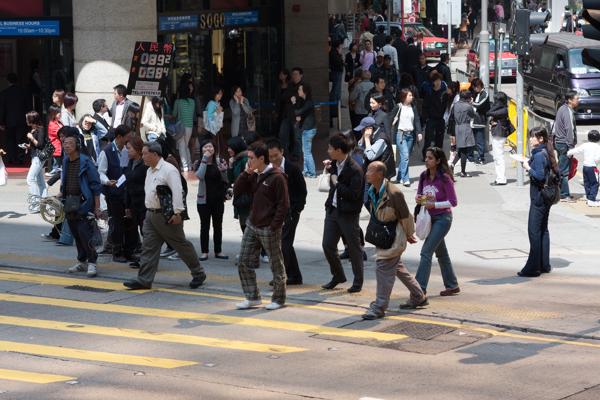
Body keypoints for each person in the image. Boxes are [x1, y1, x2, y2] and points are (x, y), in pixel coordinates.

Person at [123, 141, 207, 290]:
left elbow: (178, 192)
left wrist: (178, 213)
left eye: (145, 154)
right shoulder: (149, 170)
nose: (142, 157)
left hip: (166, 216)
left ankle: (198, 273)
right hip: (150, 215)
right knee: (148, 248)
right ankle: (144, 279)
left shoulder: (169, 170)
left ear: (155, 154)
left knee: (181, 245)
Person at [361, 161, 428, 320]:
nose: (367, 173)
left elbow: (405, 215)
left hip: (394, 237)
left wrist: (409, 233)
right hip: (383, 236)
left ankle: (379, 307)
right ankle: (419, 296)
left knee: (383, 268)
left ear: (379, 174)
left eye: (370, 170)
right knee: (397, 267)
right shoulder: (372, 190)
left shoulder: (394, 193)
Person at [233, 142, 289, 310]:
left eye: (251, 158)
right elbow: (237, 190)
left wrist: (274, 226)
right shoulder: (254, 174)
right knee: (243, 261)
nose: (248, 161)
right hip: (252, 224)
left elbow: (283, 204)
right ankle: (252, 297)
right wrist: (246, 173)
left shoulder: (277, 176)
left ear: (261, 159)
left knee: (275, 263)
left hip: (268, 227)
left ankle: (278, 299)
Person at [322, 133, 365, 293]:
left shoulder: (355, 169)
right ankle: (338, 275)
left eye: (330, 149)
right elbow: (332, 171)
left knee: (354, 248)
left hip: (348, 213)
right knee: (327, 245)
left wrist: (337, 183)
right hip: (333, 210)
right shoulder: (335, 163)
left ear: (339, 150)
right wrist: (329, 168)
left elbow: (354, 194)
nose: (328, 151)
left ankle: (358, 281)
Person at [415, 147, 459, 296]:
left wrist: (434, 205)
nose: (426, 160)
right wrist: (422, 200)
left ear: (438, 161)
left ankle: (419, 289)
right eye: (426, 158)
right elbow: (420, 197)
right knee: (442, 254)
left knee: (426, 252)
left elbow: (453, 202)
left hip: (443, 219)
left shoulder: (445, 178)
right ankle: (452, 285)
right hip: (428, 218)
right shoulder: (423, 176)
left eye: (430, 158)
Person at [267, 140, 307, 285]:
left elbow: (302, 191)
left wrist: (296, 209)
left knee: (284, 243)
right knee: (283, 244)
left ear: (282, 152)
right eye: (270, 156)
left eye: (275, 155)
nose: (273, 159)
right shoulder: (269, 169)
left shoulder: (292, 169)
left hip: (291, 212)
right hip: (276, 212)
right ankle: (294, 275)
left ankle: (285, 275)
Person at [62, 135, 102, 278]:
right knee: (76, 234)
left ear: (77, 145)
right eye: (65, 143)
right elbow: (65, 181)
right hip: (69, 203)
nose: (66, 146)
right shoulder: (66, 160)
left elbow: (96, 185)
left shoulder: (85, 161)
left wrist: (97, 207)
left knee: (85, 233)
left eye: (70, 143)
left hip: (84, 203)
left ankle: (92, 261)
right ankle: (82, 260)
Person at [518, 128, 553, 277]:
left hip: (539, 197)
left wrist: (527, 167)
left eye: (533, 137)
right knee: (543, 230)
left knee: (534, 231)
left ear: (540, 139)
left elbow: (538, 176)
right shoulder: (546, 151)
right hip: (547, 197)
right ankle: (544, 264)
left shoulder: (539, 155)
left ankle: (533, 268)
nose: (530, 139)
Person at [97, 124, 134, 263]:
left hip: (125, 192)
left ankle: (128, 250)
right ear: (119, 137)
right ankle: (116, 251)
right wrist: (107, 182)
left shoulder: (125, 150)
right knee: (117, 223)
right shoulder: (106, 151)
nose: (129, 140)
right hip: (113, 193)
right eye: (127, 138)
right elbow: (100, 173)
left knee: (128, 222)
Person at [195, 139, 229, 261]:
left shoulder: (220, 162)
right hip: (203, 201)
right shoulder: (199, 163)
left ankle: (218, 251)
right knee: (204, 226)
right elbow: (199, 175)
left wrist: (224, 171)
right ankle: (204, 252)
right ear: (201, 150)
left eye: (210, 147)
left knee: (218, 226)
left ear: (214, 149)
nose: (208, 149)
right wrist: (205, 159)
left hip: (218, 200)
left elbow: (226, 180)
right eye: (205, 147)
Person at [123, 135, 148, 268]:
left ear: (138, 149)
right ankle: (144, 258)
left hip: (144, 204)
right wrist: (127, 205)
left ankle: (146, 260)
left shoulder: (145, 165)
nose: (128, 151)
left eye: (129, 149)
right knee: (139, 230)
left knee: (146, 232)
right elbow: (127, 184)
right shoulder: (131, 163)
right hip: (133, 204)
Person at [390, 89, 423, 186]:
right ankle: (406, 179)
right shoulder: (398, 107)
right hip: (401, 135)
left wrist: (419, 132)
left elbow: (417, 120)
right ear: (404, 96)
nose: (411, 97)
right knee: (405, 156)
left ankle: (399, 176)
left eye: (412, 95)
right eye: (409, 95)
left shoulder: (413, 107)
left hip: (411, 135)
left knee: (405, 157)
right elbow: (390, 118)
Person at [553, 90, 579, 201]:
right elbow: (569, 129)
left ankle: (559, 191)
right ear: (569, 100)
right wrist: (570, 146)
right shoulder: (567, 111)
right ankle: (564, 194)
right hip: (564, 144)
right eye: (577, 98)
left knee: (562, 169)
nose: (578, 100)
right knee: (564, 171)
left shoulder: (562, 108)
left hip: (559, 143)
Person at [0, 73, 29, 164]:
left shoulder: (4, 93)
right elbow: (27, 107)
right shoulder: (23, 92)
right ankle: (20, 158)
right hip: (21, 120)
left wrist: (1, 122)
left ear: (8, 81)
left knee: (10, 140)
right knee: (21, 139)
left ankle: (11, 158)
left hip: (9, 121)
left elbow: (2, 109)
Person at [568, 130, 600, 206]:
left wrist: (568, 153)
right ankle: (592, 200)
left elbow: (576, 150)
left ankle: (588, 197)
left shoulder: (585, 145)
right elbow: (597, 158)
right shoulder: (597, 147)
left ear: (588, 137)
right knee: (594, 183)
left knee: (587, 183)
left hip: (585, 167)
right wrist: (596, 162)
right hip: (593, 167)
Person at [421, 72, 449, 160]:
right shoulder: (430, 92)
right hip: (431, 119)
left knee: (439, 139)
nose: (437, 82)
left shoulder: (444, 93)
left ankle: (438, 156)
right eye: (435, 81)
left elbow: (447, 107)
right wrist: (425, 119)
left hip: (441, 119)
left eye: (439, 80)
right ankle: (426, 155)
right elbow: (425, 107)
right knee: (428, 139)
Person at [25, 111, 48, 211]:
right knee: (40, 181)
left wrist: (31, 137)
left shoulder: (40, 129)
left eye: (27, 118)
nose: (26, 120)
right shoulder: (34, 129)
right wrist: (28, 146)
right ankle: (43, 203)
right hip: (35, 156)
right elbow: (35, 145)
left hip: (38, 158)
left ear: (32, 120)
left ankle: (36, 204)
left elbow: (40, 145)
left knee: (30, 179)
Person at [486, 91, 510, 185]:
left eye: (496, 99)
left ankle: (501, 179)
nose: (494, 101)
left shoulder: (503, 109)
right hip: (498, 134)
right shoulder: (502, 109)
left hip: (499, 135)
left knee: (499, 157)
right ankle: (499, 178)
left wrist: (496, 105)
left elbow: (489, 113)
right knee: (497, 157)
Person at [293, 83, 317, 178]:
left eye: (300, 90)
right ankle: (306, 171)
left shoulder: (308, 102)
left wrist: (294, 103)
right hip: (307, 129)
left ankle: (312, 172)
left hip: (309, 129)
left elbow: (298, 112)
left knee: (307, 152)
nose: (298, 91)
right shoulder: (304, 101)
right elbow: (299, 114)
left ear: (304, 91)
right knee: (305, 151)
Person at [451, 91, 476, 178]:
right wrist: (472, 104)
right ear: (468, 98)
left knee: (461, 149)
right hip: (465, 127)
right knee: (464, 150)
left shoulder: (455, 105)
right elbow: (473, 115)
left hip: (457, 127)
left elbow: (452, 115)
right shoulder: (468, 106)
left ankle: (452, 165)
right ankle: (463, 171)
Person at [227, 136, 250, 231]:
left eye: (230, 147)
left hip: (247, 198)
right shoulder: (235, 160)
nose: (228, 150)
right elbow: (231, 179)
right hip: (240, 197)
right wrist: (230, 166)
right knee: (243, 225)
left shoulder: (245, 159)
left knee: (247, 226)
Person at [173, 80, 196, 172]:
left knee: (182, 146)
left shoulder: (178, 102)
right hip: (189, 126)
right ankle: (189, 165)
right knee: (186, 146)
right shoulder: (192, 101)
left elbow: (174, 114)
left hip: (181, 127)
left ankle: (185, 166)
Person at [471, 78, 490, 164]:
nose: (474, 89)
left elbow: (479, 105)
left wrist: (471, 102)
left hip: (480, 120)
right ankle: (474, 156)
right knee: (473, 140)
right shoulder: (477, 93)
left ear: (478, 86)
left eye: (475, 87)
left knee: (479, 140)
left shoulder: (484, 93)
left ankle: (481, 157)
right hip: (473, 120)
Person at [46, 105, 63, 176]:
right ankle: (54, 171)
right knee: (57, 160)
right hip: (56, 145)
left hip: (60, 145)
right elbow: (60, 133)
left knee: (59, 160)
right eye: (58, 113)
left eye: (60, 112)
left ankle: (56, 171)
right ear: (53, 114)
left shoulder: (59, 122)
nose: (60, 114)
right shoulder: (52, 124)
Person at [329, 41, 344, 108]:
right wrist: (341, 57)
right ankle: (335, 103)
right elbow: (339, 62)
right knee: (336, 89)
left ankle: (337, 103)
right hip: (336, 72)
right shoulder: (334, 53)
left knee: (337, 88)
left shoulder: (334, 52)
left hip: (337, 72)